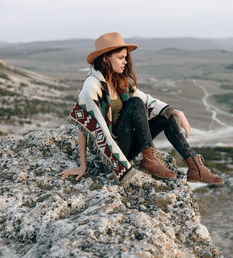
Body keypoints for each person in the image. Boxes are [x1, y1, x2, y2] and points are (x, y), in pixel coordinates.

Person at [60, 32, 224, 185]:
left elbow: (148, 100)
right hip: (108, 156)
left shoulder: (119, 82)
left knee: (164, 117)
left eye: (125, 57)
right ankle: (150, 160)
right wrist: (83, 166)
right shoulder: (91, 87)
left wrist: (175, 111)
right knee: (135, 103)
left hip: (127, 147)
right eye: (120, 58)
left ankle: (195, 167)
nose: (125, 61)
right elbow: (84, 128)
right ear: (105, 59)